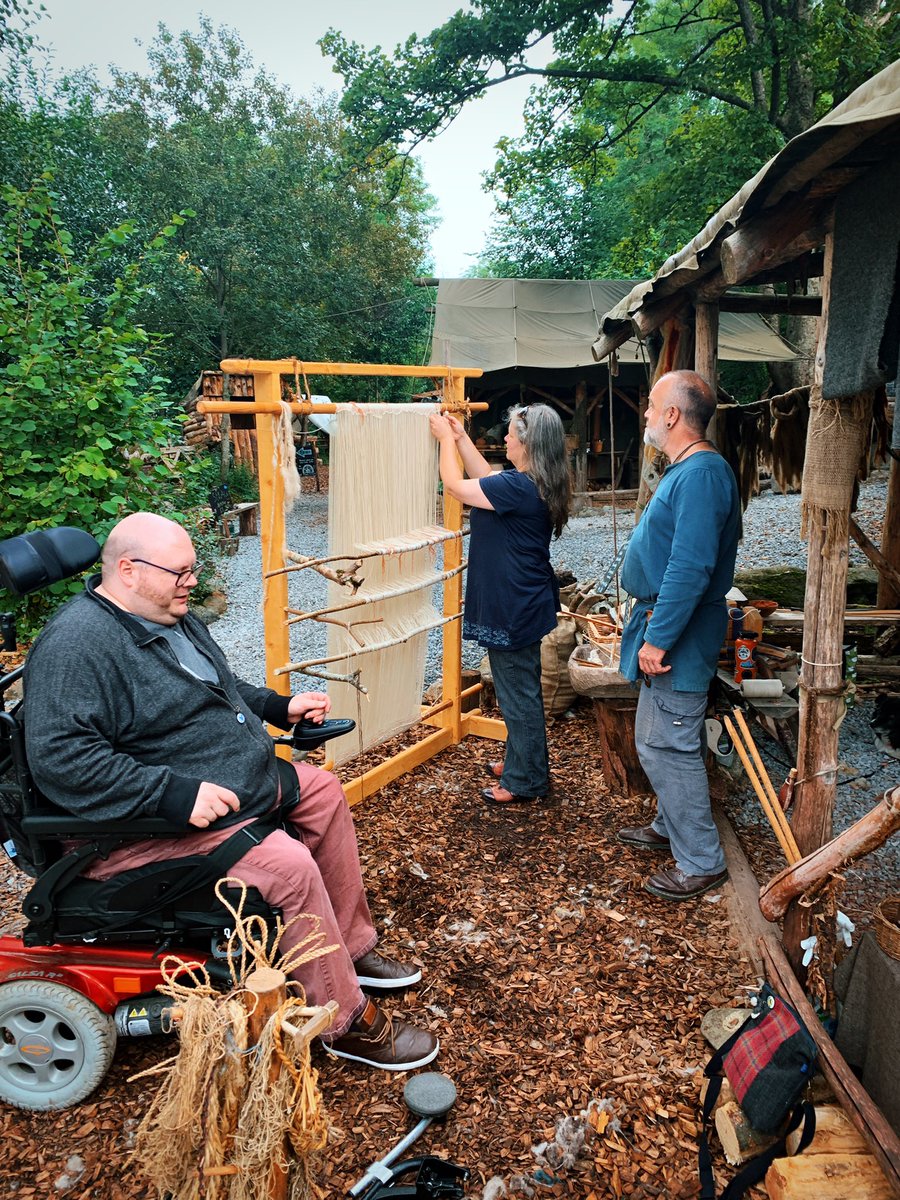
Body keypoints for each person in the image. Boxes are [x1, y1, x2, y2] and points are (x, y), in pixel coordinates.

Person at [22, 511, 438, 1071]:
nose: (192, 581)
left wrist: (275, 707)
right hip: (135, 829)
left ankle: (349, 949)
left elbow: (217, 684)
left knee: (323, 794)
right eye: (181, 571)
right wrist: (172, 795)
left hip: (231, 784)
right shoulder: (77, 647)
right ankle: (341, 1022)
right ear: (127, 570)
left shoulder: (168, 612)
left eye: (192, 569)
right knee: (288, 866)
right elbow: (61, 761)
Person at [617, 370, 741, 900]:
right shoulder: (687, 471)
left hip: (678, 635)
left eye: (650, 405)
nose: (645, 413)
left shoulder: (703, 475)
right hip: (666, 626)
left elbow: (690, 568)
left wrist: (659, 638)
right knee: (656, 737)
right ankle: (672, 828)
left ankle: (701, 860)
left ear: (672, 415)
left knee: (669, 744)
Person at [429, 404, 571, 804]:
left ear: (527, 443)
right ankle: (522, 761)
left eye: (510, 434)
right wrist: (459, 439)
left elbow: (456, 487)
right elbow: (485, 478)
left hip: (513, 605)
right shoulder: (529, 482)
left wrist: (444, 442)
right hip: (523, 599)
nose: (504, 438)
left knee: (517, 693)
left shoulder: (520, 487)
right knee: (520, 688)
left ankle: (526, 780)